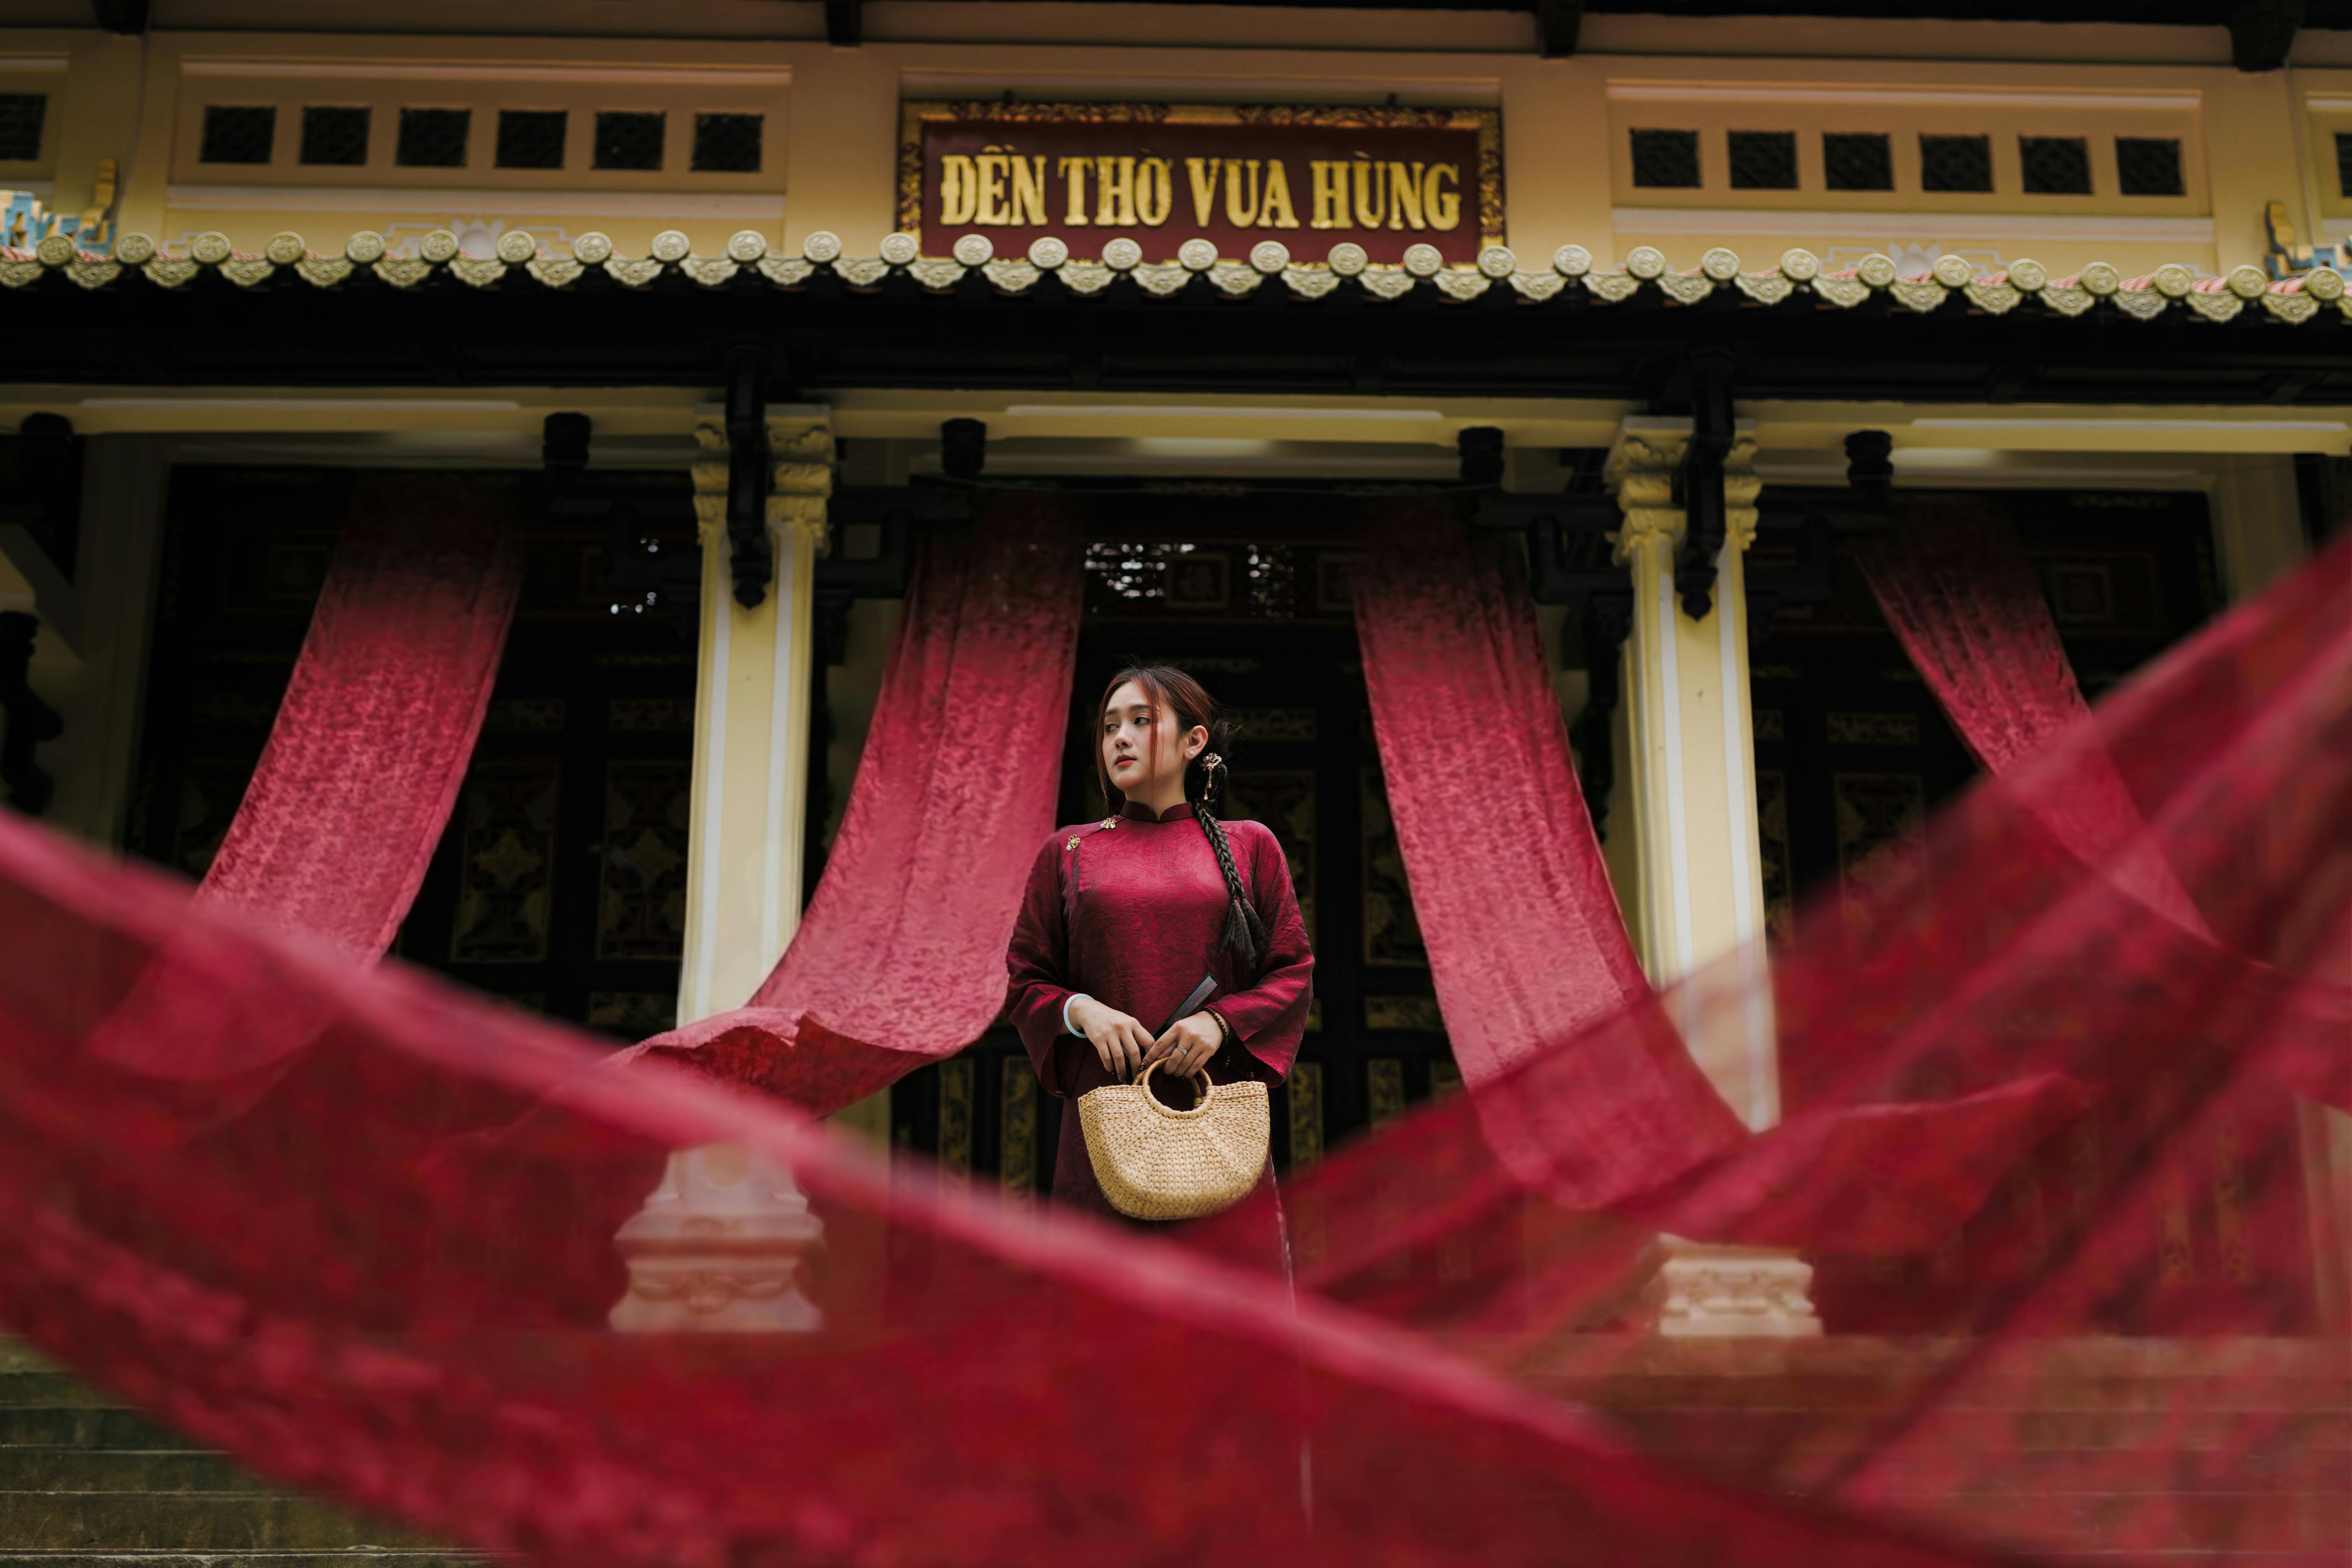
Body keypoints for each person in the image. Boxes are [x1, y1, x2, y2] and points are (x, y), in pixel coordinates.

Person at [1005, 664, 1313, 1268]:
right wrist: (1080, 1012)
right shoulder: (1069, 850)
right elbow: (1026, 977)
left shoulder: (1251, 843)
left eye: (1141, 722)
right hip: (1106, 1111)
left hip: (1214, 1106)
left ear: (1193, 742)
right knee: (1102, 1308)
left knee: (1224, 1309)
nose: (1119, 737)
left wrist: (1219, 1023)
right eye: (1109, 726)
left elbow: (1292, 969)